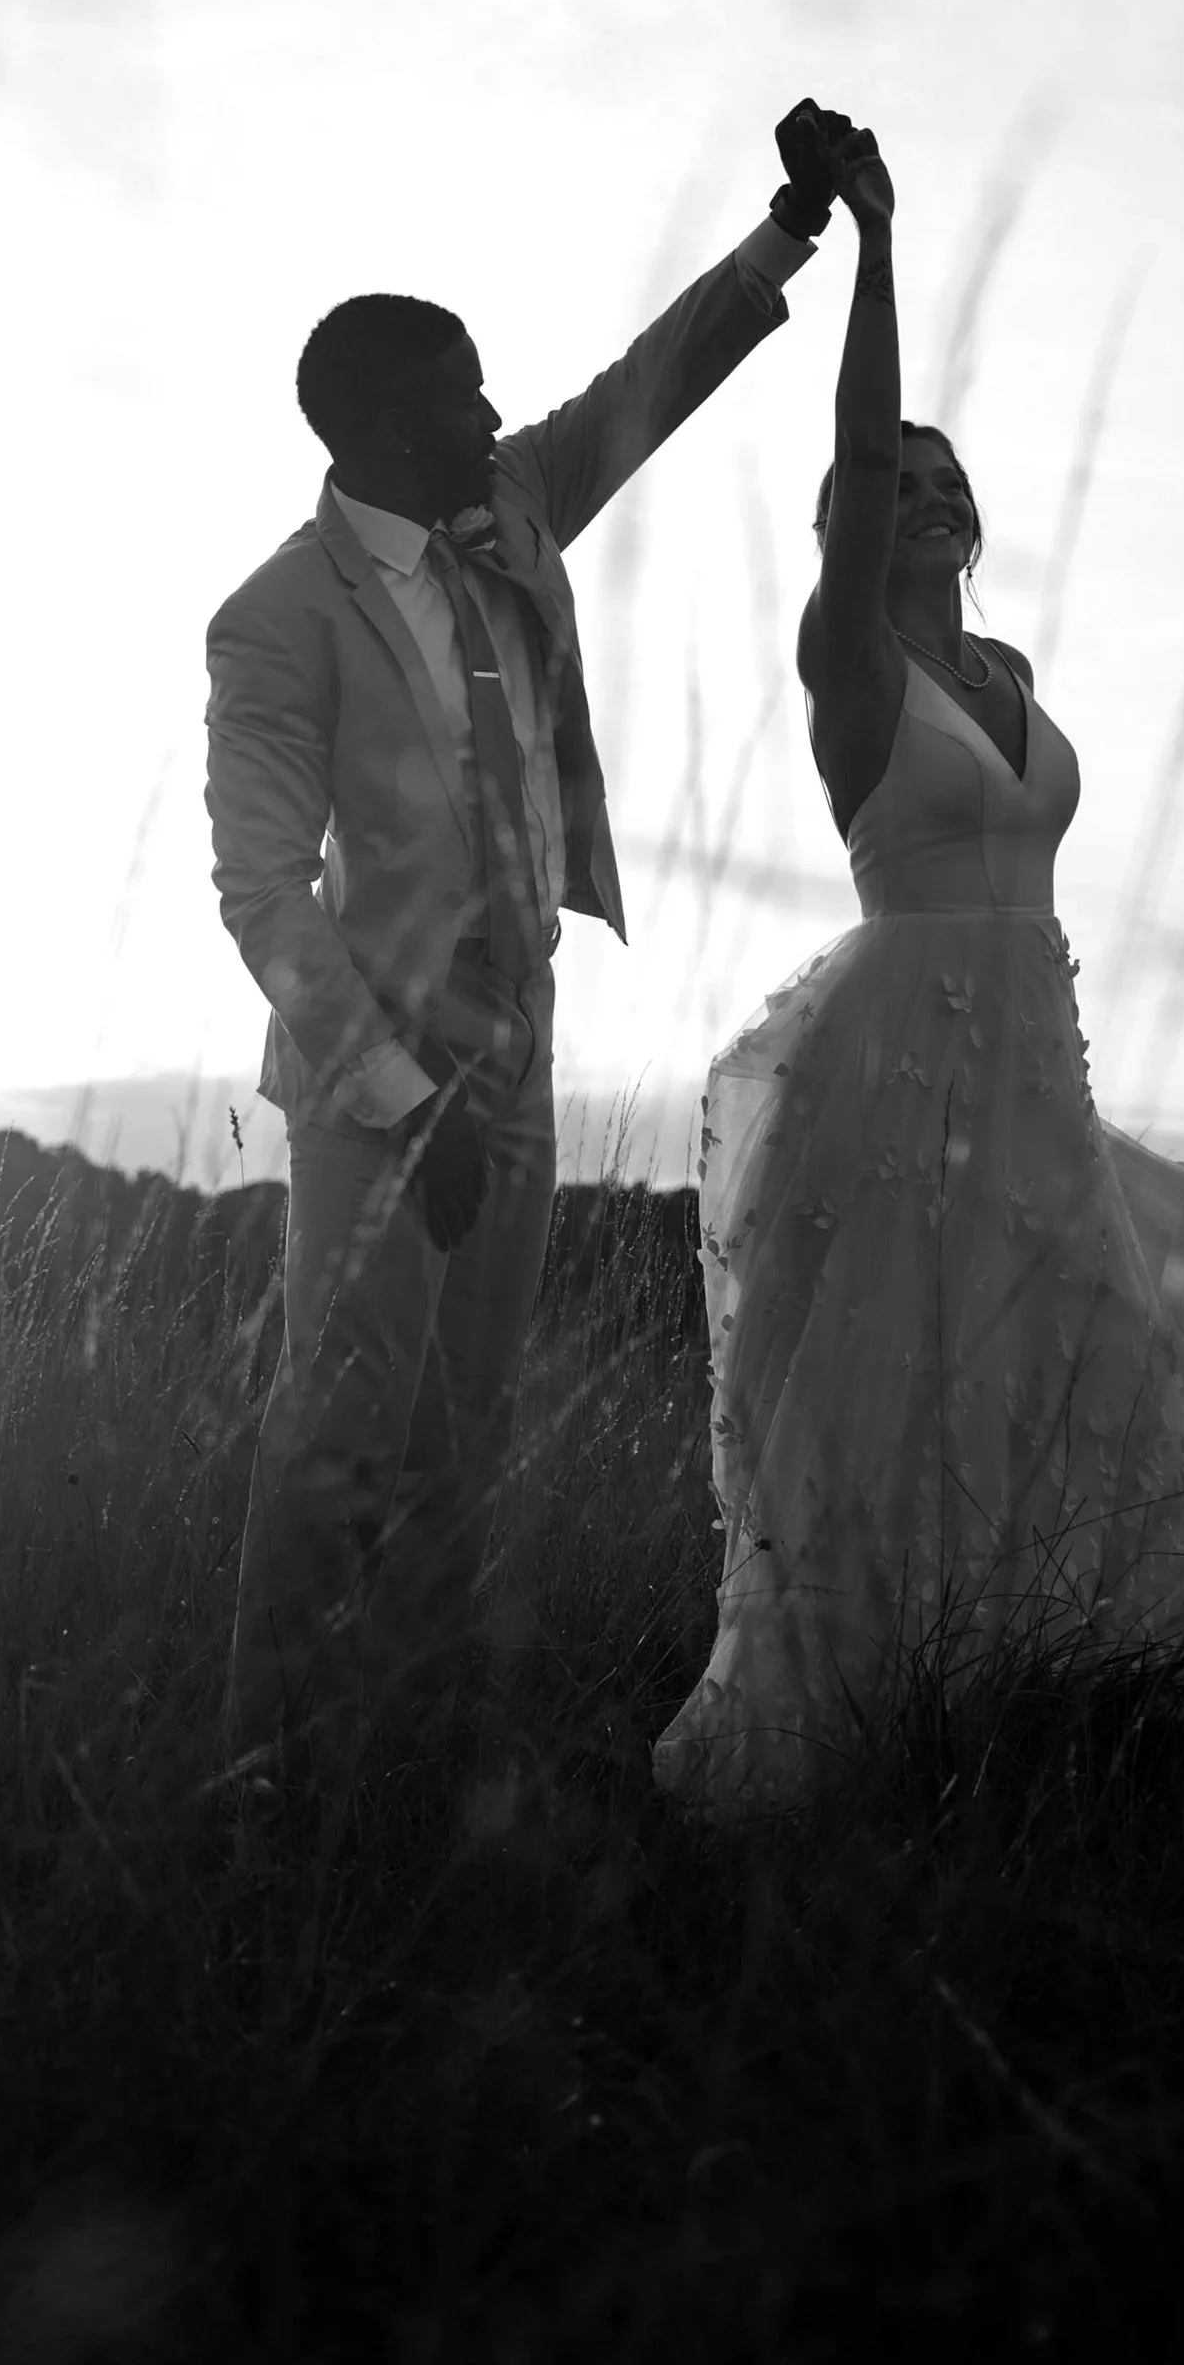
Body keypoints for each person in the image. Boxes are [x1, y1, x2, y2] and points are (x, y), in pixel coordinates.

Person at [653, 127, 1184, 1813]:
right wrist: (882, 249)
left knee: (1077, 1375)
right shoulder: (849, 664)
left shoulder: (1012, 664)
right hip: (897, 1064)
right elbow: (853, 432)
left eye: (948, 475)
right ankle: (880, 1727)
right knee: (905, 1397)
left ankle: (1065, 1685)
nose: (931, 491)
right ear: (844, 523)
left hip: (1036, 1070)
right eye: (895, 482)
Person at [207, 99, 861, 1790]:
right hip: (377, 1075)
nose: (498, 409)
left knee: (466, 1433)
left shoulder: (512, 506)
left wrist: (790, 227)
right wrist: (389, 1085)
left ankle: (416, 1753)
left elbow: (648, 386)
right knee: (336, 1434)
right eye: (462, 386)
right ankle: (263, 1774)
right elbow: (266, 890)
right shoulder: (277, 619)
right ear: (371, 420)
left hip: (521, 1044)